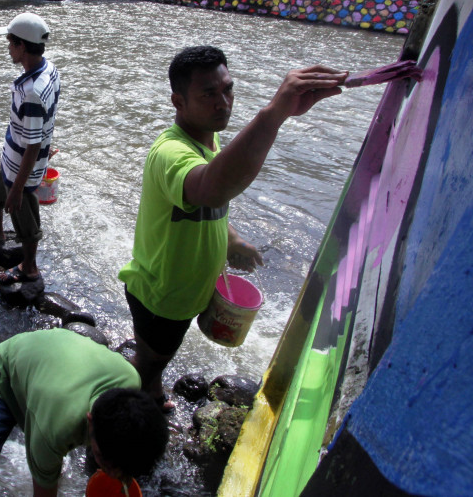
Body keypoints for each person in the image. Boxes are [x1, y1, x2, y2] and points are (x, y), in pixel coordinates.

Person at [119, 46, 346, 412]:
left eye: (228, 89)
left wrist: (232, 239)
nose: (223, 102)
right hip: (162, 296)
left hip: (187, 290)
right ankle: (134, 406)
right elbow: (212, 189)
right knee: (150, 361)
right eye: (208, 94)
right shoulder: (170, 153)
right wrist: (273, 115)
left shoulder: (210, 141)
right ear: (178, 101)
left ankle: (152, 389)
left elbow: (209, 204)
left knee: (160, 355)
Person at [0, 328, 168, 497]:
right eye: (104, 460)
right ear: (90, 421)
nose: (113, 475)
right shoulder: (55, 429)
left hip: (55, 358)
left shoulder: (131, 379)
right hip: (6, 371)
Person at [0, 13, 61, 285]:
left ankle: (29, 267)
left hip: (21, 168)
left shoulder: (32, 92)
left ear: (22, 46)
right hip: (13, 156)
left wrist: (16, 189)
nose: (8, 48)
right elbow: (44, 120)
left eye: (10, 42)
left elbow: (33, 146)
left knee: (24, 217)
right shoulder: (49, 69)